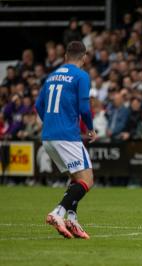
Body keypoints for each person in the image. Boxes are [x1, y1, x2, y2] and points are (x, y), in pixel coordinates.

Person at [35, 41, 96, 239]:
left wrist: (51, 123)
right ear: (84, 57)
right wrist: (90, 128)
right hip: (67, 136)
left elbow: (38, 105)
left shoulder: (51, 76)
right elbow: (85, 108)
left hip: (48, 137)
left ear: (65, 57)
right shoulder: (81, 76)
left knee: (75, 178)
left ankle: (72, 219)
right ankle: (58, 213)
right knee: (87, 180)